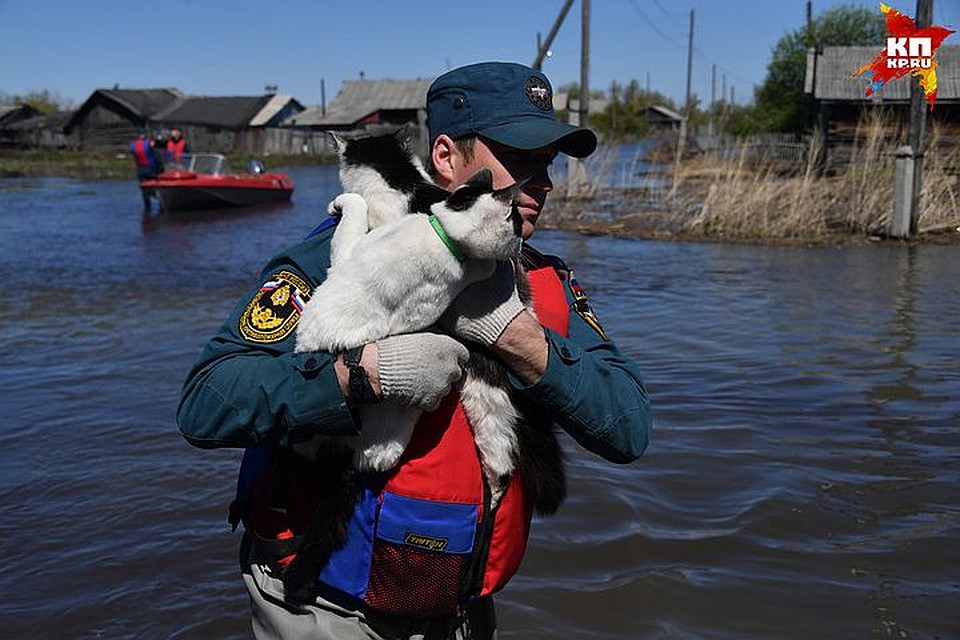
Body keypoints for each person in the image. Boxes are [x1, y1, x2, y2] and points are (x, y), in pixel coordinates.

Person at [177, 61, 652, 640]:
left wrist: (518, 338)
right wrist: (362, 375)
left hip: (460, 613)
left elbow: (629, 427)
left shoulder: (543, 283)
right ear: (448, 158)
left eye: (548, 164)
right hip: (326, 607)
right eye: (522, 160)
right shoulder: (346, 261)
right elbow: (206, 398)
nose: (545, 183)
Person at [130, 127, 159, 212]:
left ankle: (147, 207)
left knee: (144, 190)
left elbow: (134, 154)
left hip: (141, 169)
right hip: (151, 169)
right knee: (156, 187)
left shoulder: (133, 144)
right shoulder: (149, 143)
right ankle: (159, 204)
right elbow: (156, 154)